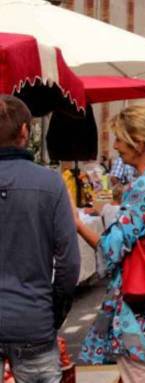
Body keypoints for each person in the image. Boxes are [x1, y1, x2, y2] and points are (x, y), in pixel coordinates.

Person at [74, 104, 145, 382]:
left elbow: (111, 248)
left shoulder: (144, 186)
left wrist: (76, 223)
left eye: (119, 139)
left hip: (143, 306)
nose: (115, 146)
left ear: (138, 144)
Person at [0, 94, 80, 382]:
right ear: (25, 131)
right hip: (32, 316)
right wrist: (53, 310)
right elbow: (69, 263)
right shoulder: (49, 183)